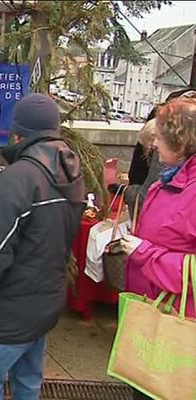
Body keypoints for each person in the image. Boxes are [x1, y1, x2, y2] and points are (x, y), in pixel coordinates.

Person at [0, 94, 85, 400]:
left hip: (6, 312)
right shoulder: (71, 172)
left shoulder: (17, 180)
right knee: (27, 383)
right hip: (44, 302)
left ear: (18, 132)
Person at [120, 98, 196, 400]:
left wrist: (144, 253)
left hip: (176, 327)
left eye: (160, 138)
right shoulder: (166, 180)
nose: (152, 145)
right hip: (151, 314)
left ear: (180, 143)